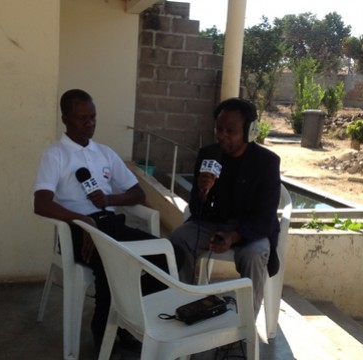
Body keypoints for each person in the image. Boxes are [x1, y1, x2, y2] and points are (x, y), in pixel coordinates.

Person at [33, 89, 167, 352]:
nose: (90, 123)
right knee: (114, 264)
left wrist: (108, 201)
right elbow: (41, 203)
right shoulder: (55, 154)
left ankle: (132, 324)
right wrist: (81, 219)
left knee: (165, 254)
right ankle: (103, 330)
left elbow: (137, 193)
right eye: (83, 117)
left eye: (93, 117)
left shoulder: (105, 153)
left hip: (109, 223)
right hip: (77, 230)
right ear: (65, 119)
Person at [169, 97, 282, 317]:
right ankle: (184, 303)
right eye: (219, 129)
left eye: (230, 131)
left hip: (251, 229)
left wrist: (234, 236)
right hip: (213, 224)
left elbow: (265, 218)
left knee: (255, 254)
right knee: (179, 237)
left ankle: (244, 326)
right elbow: (196, 207)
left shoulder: (267, 162)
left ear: (249, 132)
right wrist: (202, 192)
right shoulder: (208, 155)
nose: (222, 136)